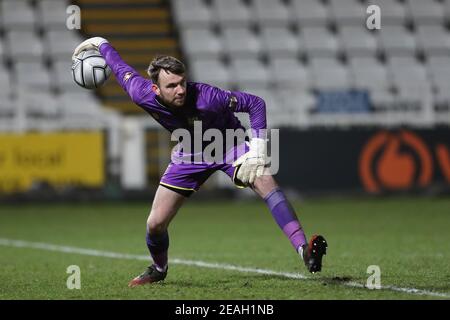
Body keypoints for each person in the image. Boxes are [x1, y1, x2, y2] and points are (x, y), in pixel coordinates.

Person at [72, 37, 328, 287]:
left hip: (228, 141)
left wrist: (258, 149)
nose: (181, 90)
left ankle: (304, 250)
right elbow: (120, 68)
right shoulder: (141, 94)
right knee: (155, 224)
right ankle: (159, 269)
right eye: (171, 86)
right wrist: (101, 43)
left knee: (265, 180)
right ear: (155, 89)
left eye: (182, 82)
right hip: (191, 151)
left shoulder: (207, 96)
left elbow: (255, 104)